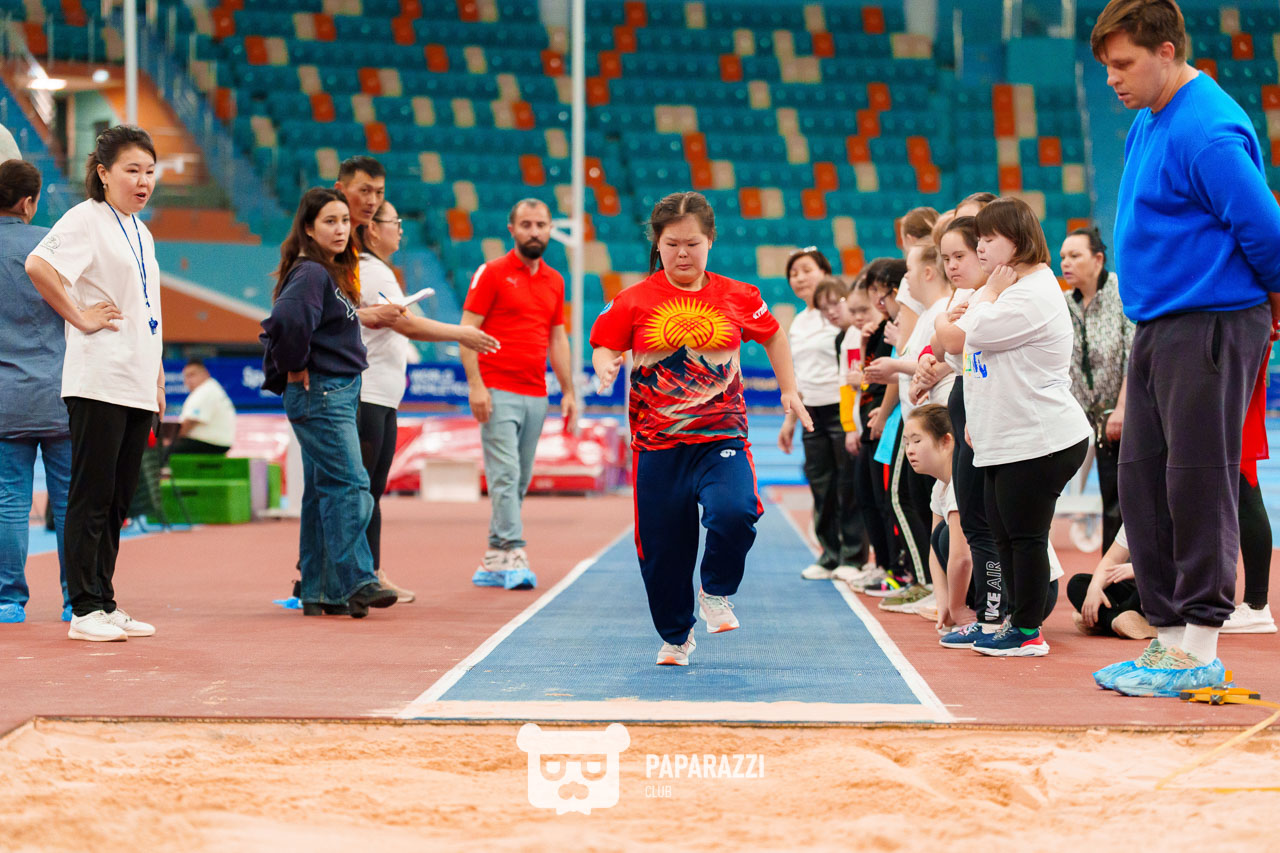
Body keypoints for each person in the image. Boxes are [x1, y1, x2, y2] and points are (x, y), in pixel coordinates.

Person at [1090, 0, 1280, 696]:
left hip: (1209, 320)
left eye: (1123, 64)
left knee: (1197, 479)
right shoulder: (1151, 117)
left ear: (1166, 50)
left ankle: (1200, 639)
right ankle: (1166, 637)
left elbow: (1266, 227)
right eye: (1106, 67)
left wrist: (1265, 298)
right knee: (1144, 480)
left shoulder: (1205, 126)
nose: (1112, 79)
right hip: (1160, 323)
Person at [590, 191, 812, 666]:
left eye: (692, 243)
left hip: (721, 438)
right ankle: (676, 635)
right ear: (658, 243)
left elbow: (773, 334)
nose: (682, 254)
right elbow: (605, 344)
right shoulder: (633, 300)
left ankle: (715, 592)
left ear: (710, 240)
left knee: (736, 512)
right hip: (657, 445)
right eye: (672, 245)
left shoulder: (738, 295)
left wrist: (789, 389)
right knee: (662, 553)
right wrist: (605, 365)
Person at [24, 126, 164, 642]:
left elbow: (149, 309)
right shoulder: (85, 219)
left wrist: (158, 377)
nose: (143, 180)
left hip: (135, 381)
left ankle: (104, 600)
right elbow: (38, 265)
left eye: (150, 171)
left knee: (120, 498)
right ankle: (82, 610)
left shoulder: (142, 232)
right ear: (103, 174)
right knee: (91, 495)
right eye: (132, 170)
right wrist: (80, 316)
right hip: (99, 378)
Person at [951, 197, 1091, 657]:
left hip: (1041, 437)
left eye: (990, 239)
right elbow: (965, 355)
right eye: (980, 239)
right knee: (1004, 532)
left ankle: (1028, 629)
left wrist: (983, 296)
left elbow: (966, 333)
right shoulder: (1011, 290)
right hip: (1006, 437)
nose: (982, 247)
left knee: (1024, 536)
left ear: (1019, 240)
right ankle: (1016, 620)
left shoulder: (1032, 293)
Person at [259, 187, 404, 619]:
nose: (341, 229)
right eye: (330, 221)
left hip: (334, 389)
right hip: (322, 391)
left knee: (325, 490)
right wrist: (295, 366)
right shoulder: (312, 273)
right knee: (351, 485)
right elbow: (285, 321)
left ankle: (322, 591)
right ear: (308, 228)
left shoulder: (328, 273)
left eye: (345, 221)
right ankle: (357, 579)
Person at [355, 199, 499, 602]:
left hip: (381, 395)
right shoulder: (369, 270)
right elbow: (405, 324)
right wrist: (461, 333)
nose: (400, 229)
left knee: (372, 488)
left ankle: (369, 571)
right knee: (365, 489)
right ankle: (361, 574)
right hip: (367, 395)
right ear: (371, 230)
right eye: (393, 222)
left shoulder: (379, 270)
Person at [460, 198, 576, 590]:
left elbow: (558, 339)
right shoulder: (491, 273)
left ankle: (493, 555)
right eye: (526, 224)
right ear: (512, 229)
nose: (534, 231)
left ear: (549, 229)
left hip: (536, 393)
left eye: (541, 224)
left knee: (520, 478)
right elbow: (466, 331)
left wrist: (570, 391)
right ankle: (513, 550)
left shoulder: (555, 281)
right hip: (496, 389)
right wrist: (476, 384)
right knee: (506, 474)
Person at [864, 240, 954, 614]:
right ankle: (934, 584)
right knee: (927, 504)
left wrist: (899, 369)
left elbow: (933, 362)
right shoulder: (930, 313)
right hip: (920, 417)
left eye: (910, 272)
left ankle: (930, 583)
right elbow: (919, 360)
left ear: (928, 273)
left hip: (935, 422)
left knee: (917, 502)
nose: (905, 283)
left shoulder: (941, 312)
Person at [0, 160, 71, 624]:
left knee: (9, 500)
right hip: (62, 392)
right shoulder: (54, 244)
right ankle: (76, 600)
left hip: (5, 395)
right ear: (29, 201)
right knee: (69, 501)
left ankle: (8, 600)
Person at [933, 215, 1005, 644]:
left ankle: (998, 615)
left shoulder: (995, 297)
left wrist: (948, 322)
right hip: (966, 409)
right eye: (945, 258)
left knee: (988, 522)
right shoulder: (967, 296)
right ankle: (987, 615)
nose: (953, 266)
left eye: (960, 255)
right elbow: (943, 343)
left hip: (989, 419)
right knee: (973, 521)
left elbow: (953, 339)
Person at [780, 250, 867, 580]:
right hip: (810, 412)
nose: (799, 278)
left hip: (841, 410)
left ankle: (854, 557)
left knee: (848, 485)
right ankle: (829, 555)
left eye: (806, 270)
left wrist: (852, 418)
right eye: (793, 273)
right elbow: (796, 375)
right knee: (821, 486)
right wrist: (790, 420)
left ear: (825, 272)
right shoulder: (799, 322)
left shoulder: (839, 314)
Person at [1061, 226, 1132, 553]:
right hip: (1090, 420)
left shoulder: (1122, 293)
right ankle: (1110, 588)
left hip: (1129, 416)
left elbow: (1135, 356)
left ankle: (1124, 586)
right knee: (1110, 500)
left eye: (1075, 255)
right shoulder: (1064, 303)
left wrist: (1121, 410)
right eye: (1062, 257)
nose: (1066, 263)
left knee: (1124, 501)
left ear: (1098, 259)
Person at [902, 404, 975, 635]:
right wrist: (943, 603)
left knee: (946, 536)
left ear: (946, 441)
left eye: (916, 441)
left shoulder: (959, 483)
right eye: (905, 442)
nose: (909, 450)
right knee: (939, 537)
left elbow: (961, 558)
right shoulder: (940, 487)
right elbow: (935, 553)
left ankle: (987, 613)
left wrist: (957, 607)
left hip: (1030, 588)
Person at [1068, 525, 1156, 639]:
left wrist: (1138, 570)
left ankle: (1105, 622)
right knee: (1077, 583)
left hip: (1165, 593)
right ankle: (1119, 622)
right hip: (1137, 592)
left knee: (1146, 587)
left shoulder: (1174, 516)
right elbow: (1111, 559)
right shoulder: (1132, 519)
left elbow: (1179, 570)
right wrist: (1095, 587)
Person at [172, 360, 236, 455]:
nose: (188, 380)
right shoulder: (211, 388)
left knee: (162, 451)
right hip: (217, 443)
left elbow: (189, 423)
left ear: (205, 374)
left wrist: (171, 441)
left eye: (192, 375)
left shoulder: (205, 391)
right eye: (186, 376)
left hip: (210, 444)